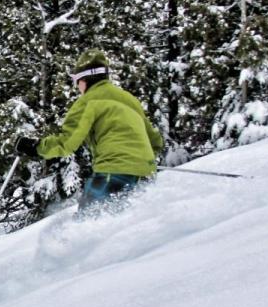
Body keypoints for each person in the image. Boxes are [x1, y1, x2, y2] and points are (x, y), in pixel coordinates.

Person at [15, 50, 164, 214]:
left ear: (84, 79)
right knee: (126, 224)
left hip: (113, 172)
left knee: (88, 222)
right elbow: (155, 141)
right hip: (145, 174)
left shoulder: (88, 101)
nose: (77, 87)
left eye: (76, 81)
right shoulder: (129, 99)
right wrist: (139, 160)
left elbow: (68, 142)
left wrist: (35, 147)